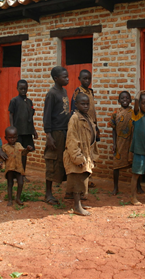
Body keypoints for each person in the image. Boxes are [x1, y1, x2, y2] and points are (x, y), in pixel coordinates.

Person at [64, 93, 98, 216]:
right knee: (77, 180)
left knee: (83, 179)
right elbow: (71, 139)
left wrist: (93, 155)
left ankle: (79, 204)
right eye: (82, 104)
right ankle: (77, 206)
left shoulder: (87, 117)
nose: (85, 106)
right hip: (78, 155)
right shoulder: (74, 119)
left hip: (86, 153)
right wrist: (77, 157)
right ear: (76, 105)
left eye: (87, 104)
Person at [43, 66, 70, 205]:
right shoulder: (52, 94)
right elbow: (46, 115)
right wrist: (49, 135)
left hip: (65, 131)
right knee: (52, 161)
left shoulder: (64, 91)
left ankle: (70, 191)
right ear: (56, 78)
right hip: (55, 133)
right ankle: (48, 194)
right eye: (64, 77)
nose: (67, 79)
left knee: (63, 161)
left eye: (67, 76)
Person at [109, 91, 142, 195]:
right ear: (119, 101)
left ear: (131, 101)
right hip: (120, 142)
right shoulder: (115, 114)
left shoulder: (134, 113)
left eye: (127, 98)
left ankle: (138, 186)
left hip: (132, 143)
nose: (125, 100)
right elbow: (113, 129)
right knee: (116, 166)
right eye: (122, 98)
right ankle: (115, 187)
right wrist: (114, 143)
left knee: (136, 165)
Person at [70, 69, 99, 189]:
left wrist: (96, 126)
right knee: (83, 151)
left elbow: (93, 111)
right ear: (79, 79)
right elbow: (73, 109)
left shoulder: (91, 92)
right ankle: (81, 179)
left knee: (91, 152)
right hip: (83, 125)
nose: (87, 81)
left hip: (91, 125)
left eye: (89, 79)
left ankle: (89, 177)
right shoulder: (78, 92)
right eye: (84, 78)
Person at [9, 80, 38, 179]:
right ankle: (15, 173)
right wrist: (12, 128)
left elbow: (31, 117)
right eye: (21, 88)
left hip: (27, 131)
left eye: (25, 88)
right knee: (17, 153)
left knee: (25, 153)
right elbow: (11, 114)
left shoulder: (29, 102)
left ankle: (22, 173)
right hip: (18, 132)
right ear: (17, 89)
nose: (23, 90)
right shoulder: (14, 101)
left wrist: (34, 130)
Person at [3, 126, 34, 206]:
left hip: (19, 168)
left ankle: (18, 198)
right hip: (10, 168)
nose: (12, 139)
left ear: (17, 137)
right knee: (10, 184)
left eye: (14, 137)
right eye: (10, 138)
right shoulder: (5, 147)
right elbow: (1, 157)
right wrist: (0, 163)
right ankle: (10, 199)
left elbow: (23, 153)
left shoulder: (19, 145)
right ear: (6, 138)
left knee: (20, 183)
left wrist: (27, 149)